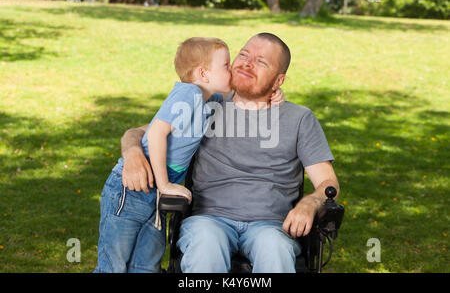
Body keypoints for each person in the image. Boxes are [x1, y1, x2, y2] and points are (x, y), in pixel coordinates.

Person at [119, 33, 339, 273]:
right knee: (206, 245)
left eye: (261, 62)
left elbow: (329, 183)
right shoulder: (204, 105)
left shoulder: (300, 119)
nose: (247, 63)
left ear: (278, 81)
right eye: (244, 54)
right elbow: (139, 132)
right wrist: (132, 154)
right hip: (208, 219)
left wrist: (311, 203)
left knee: (275, 249)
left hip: (271, 225)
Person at [94, 37, 284, 273]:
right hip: (133, 189)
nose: (232, 69)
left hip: (154, 196)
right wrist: (164, 185)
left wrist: (272, 94)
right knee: (113, 266)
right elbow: (155, 134)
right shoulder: (188, 94)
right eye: (226, 65)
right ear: (204, 74)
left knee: (145, 266)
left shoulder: (209, 99)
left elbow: (242, 96)